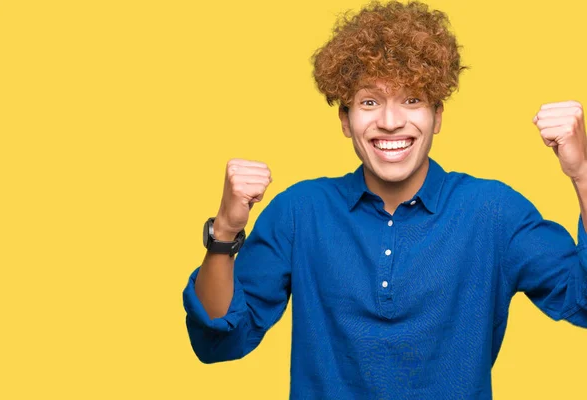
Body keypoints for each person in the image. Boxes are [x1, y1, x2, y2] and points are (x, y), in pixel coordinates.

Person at [182, 1, 587, 398]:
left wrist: (582, 173)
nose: (391, 121)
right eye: (370, 101)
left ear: (438, 115)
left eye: (412, 100)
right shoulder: (300, 211)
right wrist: (226, 231)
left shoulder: (494, 211)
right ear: (345, 119)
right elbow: (218, 340)